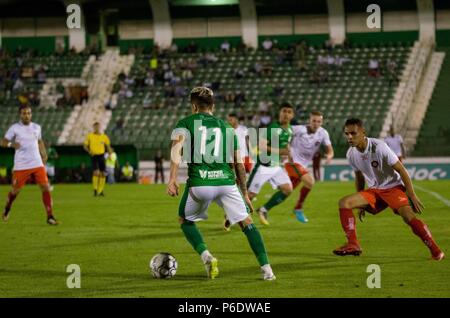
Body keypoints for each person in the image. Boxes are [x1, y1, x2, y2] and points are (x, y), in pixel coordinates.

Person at [167, 86, 276, 280]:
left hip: (200, 184)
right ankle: (267, 270)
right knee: (247, 223)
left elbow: (176, 152)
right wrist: (244, 193)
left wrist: (172, 179)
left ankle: (206, 255)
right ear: (213, 106)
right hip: (226, 183)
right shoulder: (227, 127)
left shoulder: (185, 123)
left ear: (193, 106)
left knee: (185, 220)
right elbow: (239, 164)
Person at [333, 118, 444, 261]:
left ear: (363, 132)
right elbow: (359, 177)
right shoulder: (351, 154)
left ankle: (436, 251)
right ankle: (353, 244)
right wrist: (360, 204)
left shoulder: (379, 147)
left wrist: (411, 194)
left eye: (353, 133)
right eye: (347, 134)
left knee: (408, 217)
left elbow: (401, 170)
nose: (349, 137)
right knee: (345, 203)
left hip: (393, 187)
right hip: (375, 190)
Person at [1, 105, 59, 225]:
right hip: (21, 165)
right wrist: (11, 145)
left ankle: (50, 216)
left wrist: (44, 154)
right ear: (20, 114)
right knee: (15, 191)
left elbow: (39, 141)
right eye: (24, 113)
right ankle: (7, 208)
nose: (27, 115)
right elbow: (3, 142)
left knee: (45, 187)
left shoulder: (36, 127)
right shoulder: (14, 128)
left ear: (31, 114)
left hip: (37, 163)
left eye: (28, 113)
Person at [248, 102, 295, 226]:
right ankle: (230, 216)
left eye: (289, 112)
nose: (286, 114)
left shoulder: (290, 130)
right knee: (250, 195)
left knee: (287, 189)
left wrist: (289, 155)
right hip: (263, 166)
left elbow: (286, 144)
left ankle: (263, 210)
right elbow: (261, 146)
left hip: (276, 166)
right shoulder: (273, 127)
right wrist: (281, 151)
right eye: (284, 111)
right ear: (279, 113)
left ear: (292, 115)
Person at [286, 111, 334, 223]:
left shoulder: (323, 133)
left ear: (321, 122)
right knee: (310, 181)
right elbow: (283, 131)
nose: (316, 123)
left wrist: (329, 156)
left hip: (303, 165)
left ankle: (263, 208)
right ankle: (298, 208)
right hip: (292, 162)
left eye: (318, 121)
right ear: (309, 121)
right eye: (314, 121)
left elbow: (330, 150)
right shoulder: (299, 129)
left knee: (287, 190)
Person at [83, 122, 111, 197]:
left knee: (103, 174)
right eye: (95, 127)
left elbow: (108, 146)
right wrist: (89, 151)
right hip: (94, 156)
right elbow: (85, 146)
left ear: (100, 127)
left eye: (98, 127)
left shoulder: (104, 136)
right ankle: (95, 190)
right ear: (93, 128)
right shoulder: (90, 136)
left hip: (102, 156)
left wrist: (110, 153)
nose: (97, 128)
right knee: (96, 172)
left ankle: (101, 190)